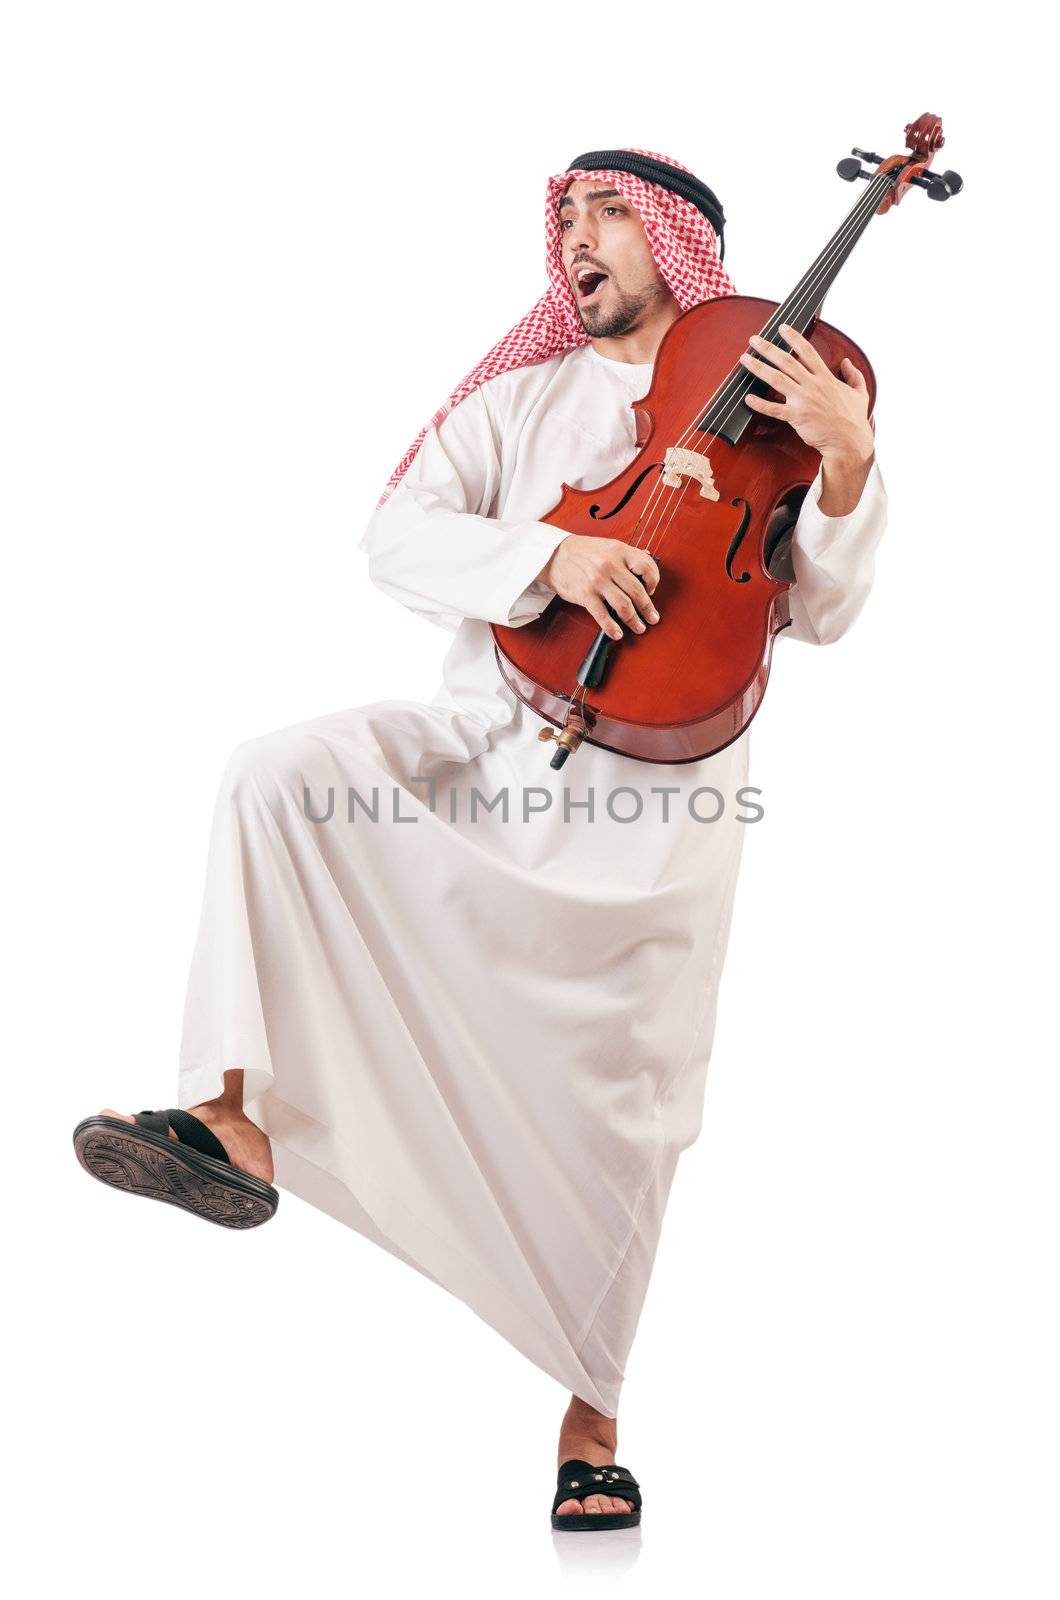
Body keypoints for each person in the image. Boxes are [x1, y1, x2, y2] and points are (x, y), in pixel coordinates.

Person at [73, 147, 888, 1531]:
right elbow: (395, 538)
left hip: (655, 811)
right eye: (564, 214)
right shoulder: (516, 401)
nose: (578, 234)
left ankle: (593, 1417)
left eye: (611, 212)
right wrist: (550, 560)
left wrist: (852, 464)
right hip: (483, 747)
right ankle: (231, 1117)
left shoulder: (783, 411)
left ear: (683, 249)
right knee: (277, 775)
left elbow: (820, 615)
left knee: (630, 1116)